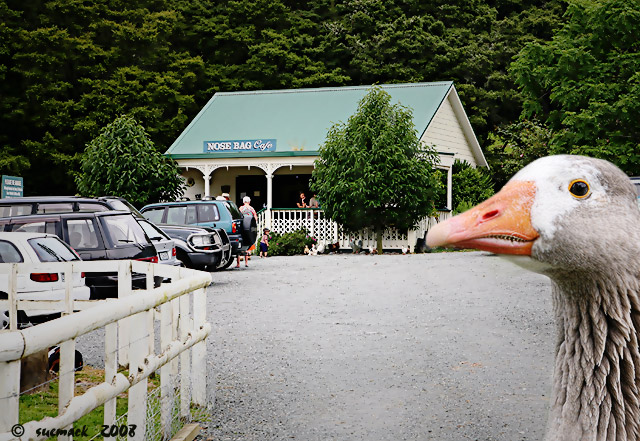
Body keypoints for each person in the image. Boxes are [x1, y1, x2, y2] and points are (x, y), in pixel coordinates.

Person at [237, 196, 257, 268]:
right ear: (249, 201)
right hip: (249, 228)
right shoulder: (251, 209)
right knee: (248, 243)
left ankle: (238, 264)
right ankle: (246, 263)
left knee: (240, 245)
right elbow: (255, 218)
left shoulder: (241, 208)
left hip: (242, 227)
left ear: (243, 201)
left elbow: (238, 216)